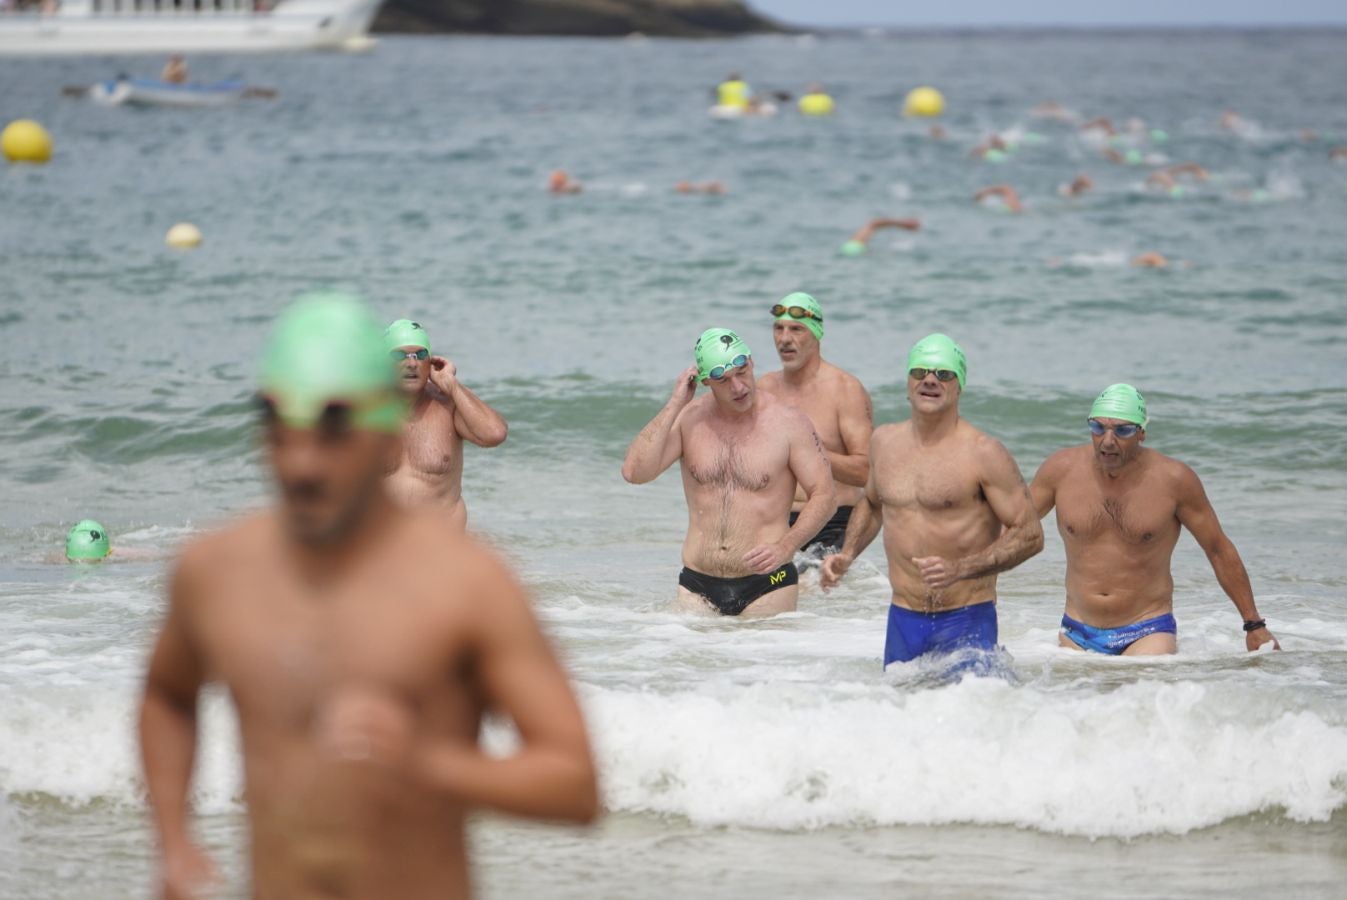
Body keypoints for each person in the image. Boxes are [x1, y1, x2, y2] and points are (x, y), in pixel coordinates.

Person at [139, 294, 597, 900]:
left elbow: (575, 785)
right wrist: (172, 840)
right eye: (280, 426)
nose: (303, 463)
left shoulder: (469, 584)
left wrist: (426, 763)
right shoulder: (218, 570)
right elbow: (167, 694)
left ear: (382, 429)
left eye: (333, 430)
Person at [821, 334, 1043, 666]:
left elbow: (1030, 534)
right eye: (920, 371)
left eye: (944, 373)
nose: (929, 379)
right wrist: (848, 553)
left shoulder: (983, 453)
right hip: (903, 620)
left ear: (959, 386)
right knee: (900, 713)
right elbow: (872, 503)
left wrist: (961, 568)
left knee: (973, 710)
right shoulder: (884, 442)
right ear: (909, 383)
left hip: (966, 617)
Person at [1029, 384, 1279, 656]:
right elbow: (1013, 529)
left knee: (1144, 698)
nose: (1108, 440)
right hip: (1076, 630)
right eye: (1098, 428)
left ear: (1142, 433)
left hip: (1147, 630)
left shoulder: (1174, 480)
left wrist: (1254, 625)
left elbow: (1217, 549)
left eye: (1122, 430)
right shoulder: (1060, 470)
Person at [621, 328, 835, 617]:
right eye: (723, 380)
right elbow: (635, 472)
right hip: (697, 584)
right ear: (706, 381)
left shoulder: (788, 423)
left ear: (752, 362)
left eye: (742, 371)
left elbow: (824, 494)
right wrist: (675, 404)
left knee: (761, 662)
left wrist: (786, 547)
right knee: (685, 661)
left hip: (769, 582)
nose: (738, 387)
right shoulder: (690, 420)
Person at [757, 293, 873, 559]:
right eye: (778, 328)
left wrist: (807, 451)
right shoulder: (765, 389)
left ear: (817, 334)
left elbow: (867, 472)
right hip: (776, 521)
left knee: (802, 586)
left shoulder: (845, 390)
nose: (784, 338)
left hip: (832, 525)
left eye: (796, 329)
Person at [383, 319, 507, 532]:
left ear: (430, 362)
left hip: (442, 549)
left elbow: (494, 434)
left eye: (420, 355)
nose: (411, 363)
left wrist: (453, 387)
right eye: (400, 355)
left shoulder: (448, 405)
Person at [838, 217, 921, 256]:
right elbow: (875, 223)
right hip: (853, 249)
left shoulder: (853, 244)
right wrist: (903, 224)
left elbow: (874, 224)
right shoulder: (854, 245)